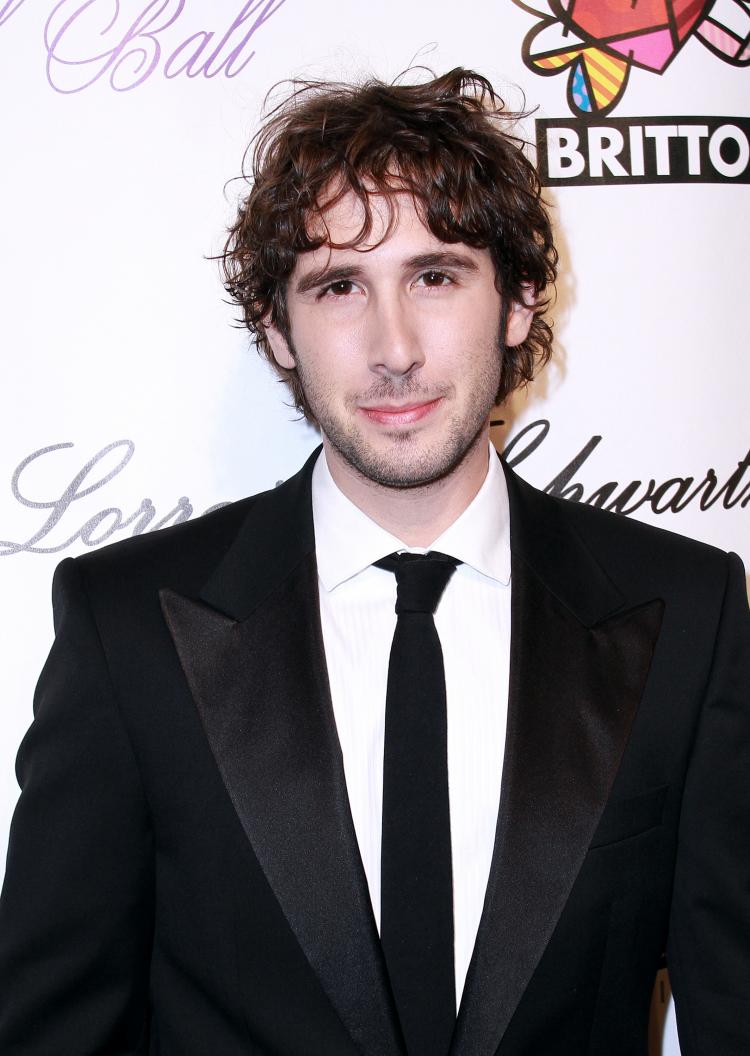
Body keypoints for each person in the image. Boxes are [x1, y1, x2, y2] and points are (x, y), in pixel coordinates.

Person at [0, 68, 748, 1056]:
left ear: (520, 300)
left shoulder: (686, 615)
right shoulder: (128, 623)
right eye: (339, 286)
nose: (394, 348)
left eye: (435, 276)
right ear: (279, 329)